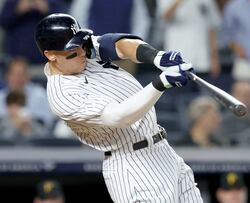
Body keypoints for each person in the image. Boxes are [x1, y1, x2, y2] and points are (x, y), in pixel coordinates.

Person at [34, 13, 203, 202]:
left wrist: (157, 57)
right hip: (133, 164)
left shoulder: (82, 53)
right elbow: (118, 117)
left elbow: (119, 44)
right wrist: (162, 82)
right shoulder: (62, 94)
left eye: (82, 45)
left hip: (163, 150)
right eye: (73, 51)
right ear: (50, 55)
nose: (82, 53)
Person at [157, 0, 222, 78]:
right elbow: (165, 17)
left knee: (204, 89)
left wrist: (214, 58)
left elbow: (212, 27)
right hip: (176, 62)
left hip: (202, 60)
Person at [0, 0, 66, 64]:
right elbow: (3, 22)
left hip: (44, 62)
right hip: (15, 63)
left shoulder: (53, 2)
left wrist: (48, 10)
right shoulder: (12, 1)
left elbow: (63, 26)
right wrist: (17, 10)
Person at [0, 57, 54, 128]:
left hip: (34, 134)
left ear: (28, 76)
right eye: (15, 75)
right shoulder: (1, 96)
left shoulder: (39, 94)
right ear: (8, 76)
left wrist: (26, 118)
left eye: (21, 74)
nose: (18, 78)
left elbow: (47, 121)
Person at [217, 80, 250, 146]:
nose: (246, 99)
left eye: (248, 95)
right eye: (241, 95)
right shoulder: (223, 121)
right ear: (232, 97)